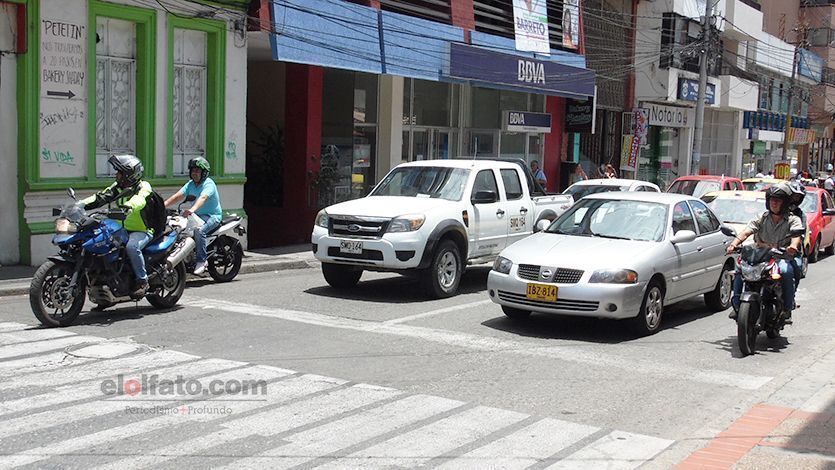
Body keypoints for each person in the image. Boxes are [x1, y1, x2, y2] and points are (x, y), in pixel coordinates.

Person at [726, 182, 803, 324]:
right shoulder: (762, 217)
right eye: (772, 199)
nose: (774, 203)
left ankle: (787, 307)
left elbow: (796, 236)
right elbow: (747, 231)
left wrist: (792, 246)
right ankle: (736, 304)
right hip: (761, 256)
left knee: (786, 271)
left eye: (778, 200)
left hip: (781, 257)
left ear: (785, 202)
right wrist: (734, 244)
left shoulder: (793, 219)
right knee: (739, 269)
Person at [80, 154, 153, 297]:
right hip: (119, 227)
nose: (116, 175)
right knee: (98, 241)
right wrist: (80, 204)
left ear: (129, 174)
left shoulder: (143, 186)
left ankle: (142, 281)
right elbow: (100, 197)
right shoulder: (118, 187)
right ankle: (104, 279)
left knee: (132, 247)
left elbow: (140, 200)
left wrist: (129, 206)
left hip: (142, 230)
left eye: (120, 172)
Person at [164, 157, 223, 275]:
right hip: (196, 216)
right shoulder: (190, 185)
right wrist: (162, 205)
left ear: (204, 173)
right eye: (193, 170)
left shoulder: (209, 184)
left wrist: (191, 210)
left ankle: (202, 260)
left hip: (212, 216)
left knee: (199, 231)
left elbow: (203, 198)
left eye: (198, 171)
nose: (195, 173)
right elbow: (177, 196)